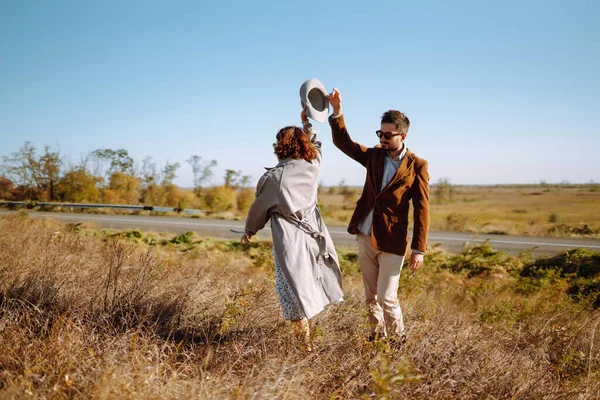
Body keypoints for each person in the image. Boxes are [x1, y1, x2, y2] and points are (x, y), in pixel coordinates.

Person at [326, 88, 430, 343]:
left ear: (402, 135)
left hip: (393, 241)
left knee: (387, 297)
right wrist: (337, 111)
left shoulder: (417, 166)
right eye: (379, 133)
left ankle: (398, 341)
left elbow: (422, 208)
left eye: (387, 134)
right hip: (365, 234)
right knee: (370, 296)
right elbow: (343, 143)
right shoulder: (373, 156)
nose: (382, 138)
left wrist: (419, 249)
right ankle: (376, 339)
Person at [241, 106, 344, 350]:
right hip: (314, 236)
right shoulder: (312, 165)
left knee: (291, 290)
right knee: (307, 284)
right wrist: (308, 125)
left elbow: (259, 209)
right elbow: (317, 144)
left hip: (291, 241)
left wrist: (249, 231)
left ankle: (304, 346)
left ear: (280, 146)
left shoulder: (274, 178)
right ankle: (307, 339)